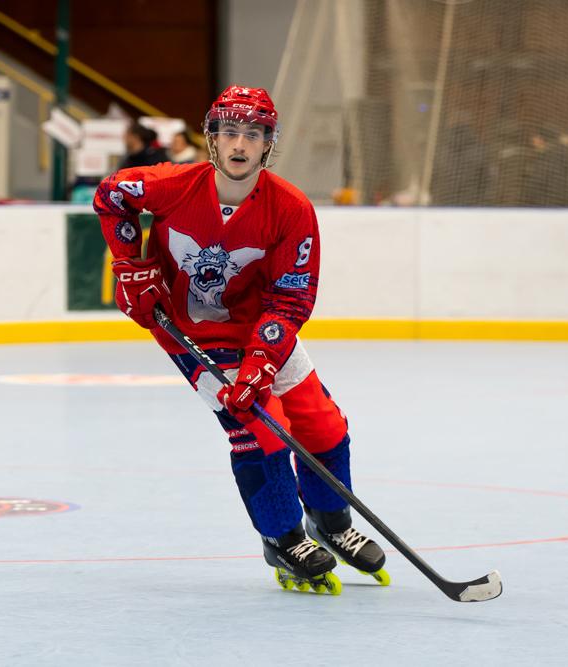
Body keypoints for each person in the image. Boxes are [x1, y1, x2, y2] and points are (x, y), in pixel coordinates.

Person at [93, 85, 387, 595]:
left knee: (322, 422)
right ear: (211, 138)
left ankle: (331, 521)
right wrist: (129, 264)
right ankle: (283, 537)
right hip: (190, 334)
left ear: (268, 143)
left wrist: (261, 362)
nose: (239, 144)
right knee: (260, 430)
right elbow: (110, 197)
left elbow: (291, 298)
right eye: (229, 131)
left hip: (261, 329)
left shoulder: (291, 209)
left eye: (252, 134)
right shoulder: (167, 185)